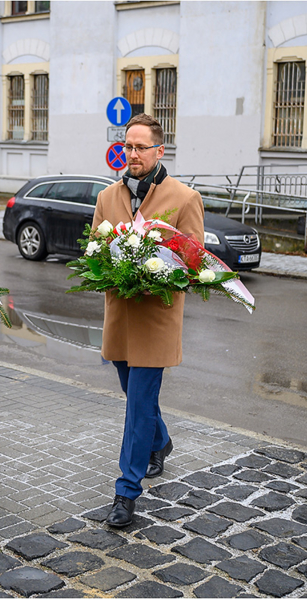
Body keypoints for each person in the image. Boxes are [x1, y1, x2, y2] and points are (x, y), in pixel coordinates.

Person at [91, 114, 204, 527]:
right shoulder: (107, 197)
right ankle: (161, 440)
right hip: (120, 317)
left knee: (138, 406)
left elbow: (193, 262)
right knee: (133, 394)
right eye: (128, 146)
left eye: (141, 147)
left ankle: (126, 491)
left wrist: (155, 271)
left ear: (160, 150)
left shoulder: (184, 198)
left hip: (157, 319)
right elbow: (93, 251)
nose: (132, 154)